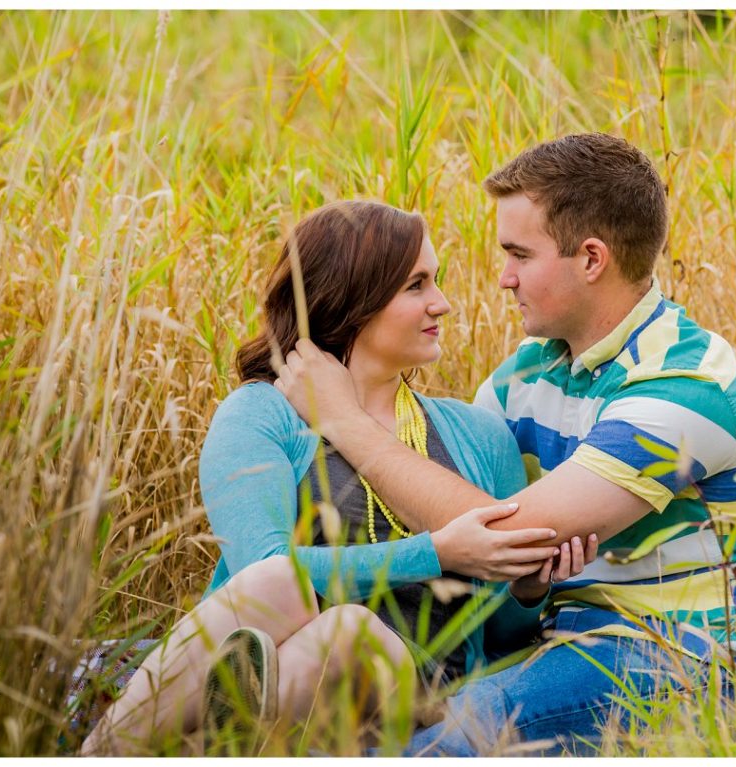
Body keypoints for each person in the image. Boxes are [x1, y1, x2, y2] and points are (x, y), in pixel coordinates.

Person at [275, 133, 736, 755]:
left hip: (696, 658)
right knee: (336, 715)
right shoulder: (526, 376)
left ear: (591, 259)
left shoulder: (686, 386)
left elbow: (503, 533)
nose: (503, 278)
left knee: (457, 735)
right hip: (560, 642)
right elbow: (484, 554)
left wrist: (343, 419)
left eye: (519, 255)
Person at [79, 200, 592, 756]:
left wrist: (527, 589)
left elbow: (503, 640)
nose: (442, 304)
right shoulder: (261, 415)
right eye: (416, 285)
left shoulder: (476, 434)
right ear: (353, 298)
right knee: (315, 609)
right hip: (301, 666)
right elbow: (254, 576)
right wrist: (436, 552)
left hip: (419, 693)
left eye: (435, 282)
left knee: (357, 637)